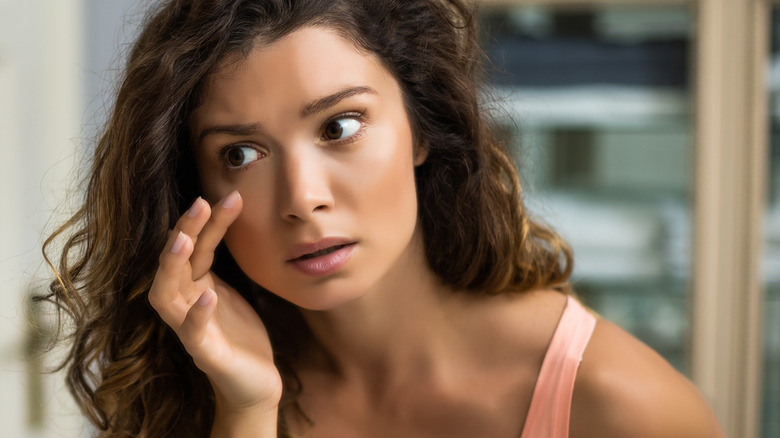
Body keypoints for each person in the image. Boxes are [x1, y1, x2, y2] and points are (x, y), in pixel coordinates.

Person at [40, 0, 726, 437]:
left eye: (340, 126)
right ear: (195, 187)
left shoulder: (621, 405)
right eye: (241, 152)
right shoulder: (201, 388)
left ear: (424, 128)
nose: (302, 198)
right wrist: (246, 409)